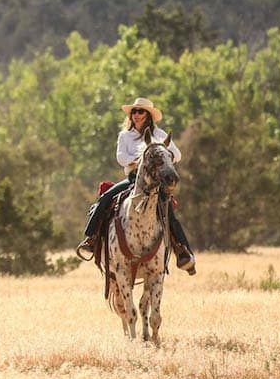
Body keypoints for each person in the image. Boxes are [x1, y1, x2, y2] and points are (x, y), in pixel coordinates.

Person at [76, 97, 196, 274]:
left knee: (168, 211)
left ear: (148, 115)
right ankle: (91, 239)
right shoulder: (125, 135)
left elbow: (176, 154)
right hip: (133, 178)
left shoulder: (160, 135)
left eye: (140, 111)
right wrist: (136, 161)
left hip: (155, 181)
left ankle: (182, 251)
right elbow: (120, 157)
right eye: (134, 112)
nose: (136, 115)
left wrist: (162, 157)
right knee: (105, 198)